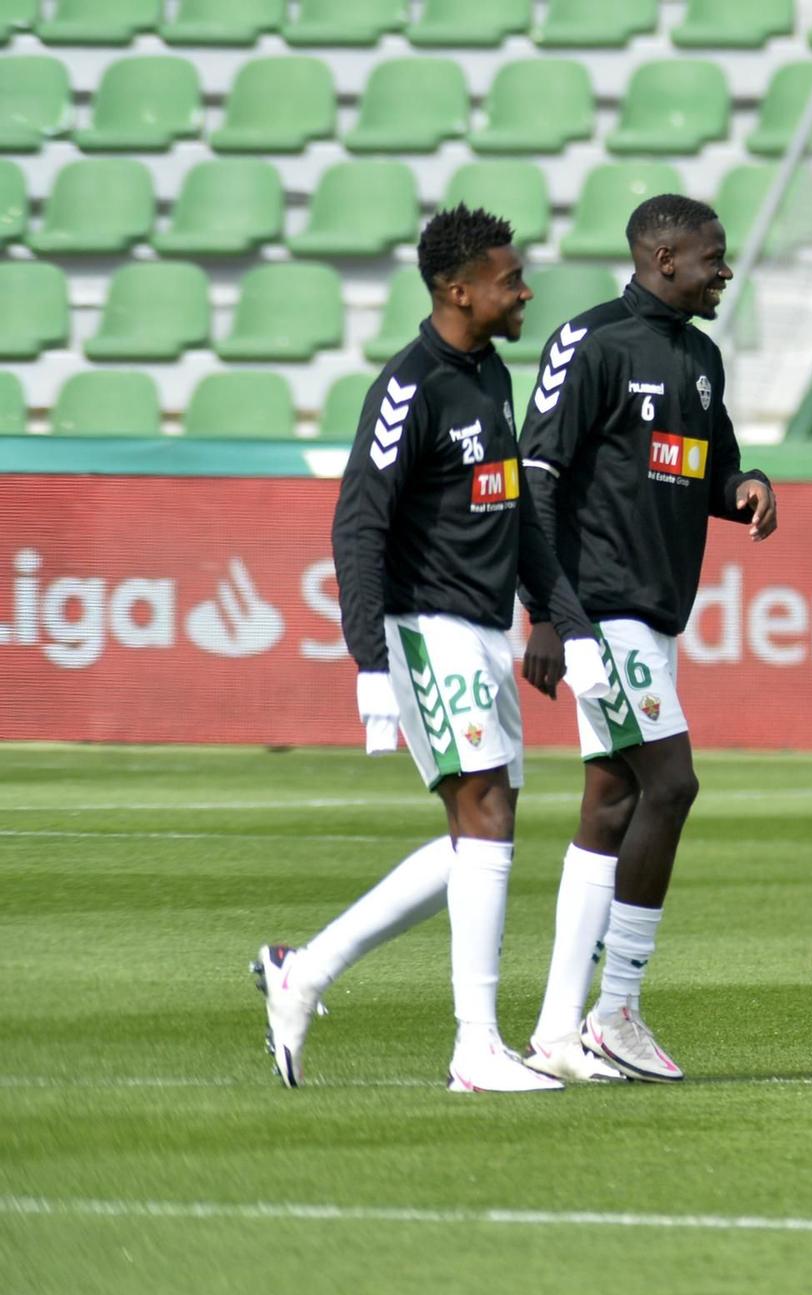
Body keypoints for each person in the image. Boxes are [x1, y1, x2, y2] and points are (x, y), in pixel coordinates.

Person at [253, 205, 610, 1093]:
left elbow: (516, 512)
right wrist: (372, 661)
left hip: (485, 630)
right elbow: (358, 528)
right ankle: (475, 1048)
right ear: (459, 290)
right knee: (485, 816)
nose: (524, 289)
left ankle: (305, 969)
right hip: (426, 629)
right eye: (508, 278)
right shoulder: (408, 387)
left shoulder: (489, 377)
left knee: (476, 836)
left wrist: (562, 617)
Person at [516, 193, 777, 1085]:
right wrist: (549, 614)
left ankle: (557, 1029)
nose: (725, 270)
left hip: (652, 617)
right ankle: (615, 1009)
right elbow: (534, 483)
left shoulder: (701, 359)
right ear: (664, 259)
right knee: (671, 781)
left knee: (612, 804)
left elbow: (713, 469)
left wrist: (745, 487)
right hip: (602, 612)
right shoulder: (589, 344)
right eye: (713, 257)